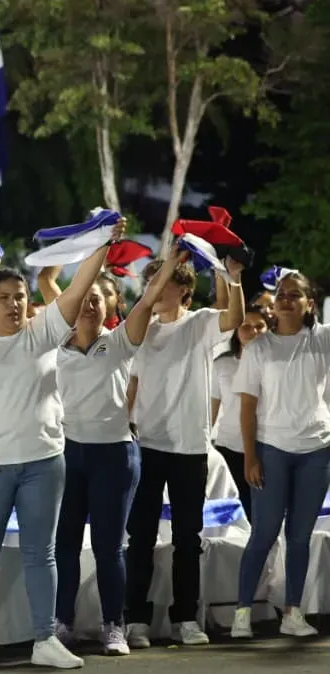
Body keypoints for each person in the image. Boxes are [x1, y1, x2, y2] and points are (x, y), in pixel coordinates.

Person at [0, 222, 110, 671]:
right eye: (3, 297)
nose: (14, 304)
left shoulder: (44, 333)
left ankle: (43, 639)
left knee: (42, 553)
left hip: (43, 462)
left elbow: (80, 286)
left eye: (20, 296)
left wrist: (102, 243)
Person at [47, 260, 168, 655]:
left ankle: (113, 625)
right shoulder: (54, 346)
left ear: (109, 305)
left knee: (108, 546)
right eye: (82, 297)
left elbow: (149, 301)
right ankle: (61, 622)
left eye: (96, 299)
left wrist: (171, 267)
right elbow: (44, 282)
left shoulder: (118, 342)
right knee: (64, 543)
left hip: (114, 456)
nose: (87, 304)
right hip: (66, 454)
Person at [124, 253, 243, 648]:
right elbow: (132, 386)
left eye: (163, 280)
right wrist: (126, 426)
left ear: (184, 290)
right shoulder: (142, 331)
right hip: (148, 445)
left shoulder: (200, 323)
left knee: (187, 538)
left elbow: (233, 319)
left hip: (191, 445)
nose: (154, 287)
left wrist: (232, 277)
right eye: (150, 280)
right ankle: (135, 619)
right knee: (139, 535)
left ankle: (186, 618)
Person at [231, 271, 329, 639]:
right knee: (264, 532)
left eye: (294, 295)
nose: (286, 300)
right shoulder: (259, 347)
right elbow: (247, 407)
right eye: (282, 294)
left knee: (300, 536)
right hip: (272, 449)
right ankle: (242, 612)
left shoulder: (324, 341)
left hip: (316, 450)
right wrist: (250, 457)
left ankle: (294, 612)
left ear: (309, 303)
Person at [211, 306, 270, 517]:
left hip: (267, 447)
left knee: (265, 514)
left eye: (259, 326)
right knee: (235, 513)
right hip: (230, 448)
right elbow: (212, 408)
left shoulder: (277, 364)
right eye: (246, 326)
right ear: (236, 330)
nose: (253, 331)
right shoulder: (221, 364)